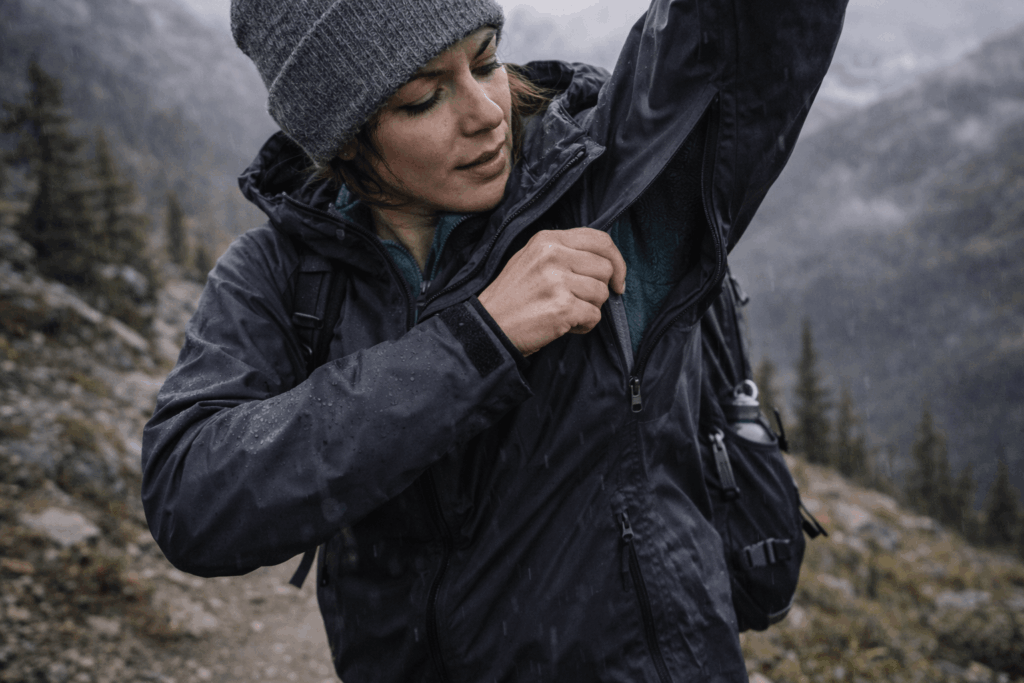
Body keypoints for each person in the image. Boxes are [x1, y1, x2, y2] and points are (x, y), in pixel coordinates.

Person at [142, 0, 847, 680]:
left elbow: (748, 27)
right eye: (423, 99)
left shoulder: (606, 183)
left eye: (485, 62)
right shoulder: (280, 272)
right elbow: (193, 497)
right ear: (344, 136)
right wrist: (479, 341)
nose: (487, 113)